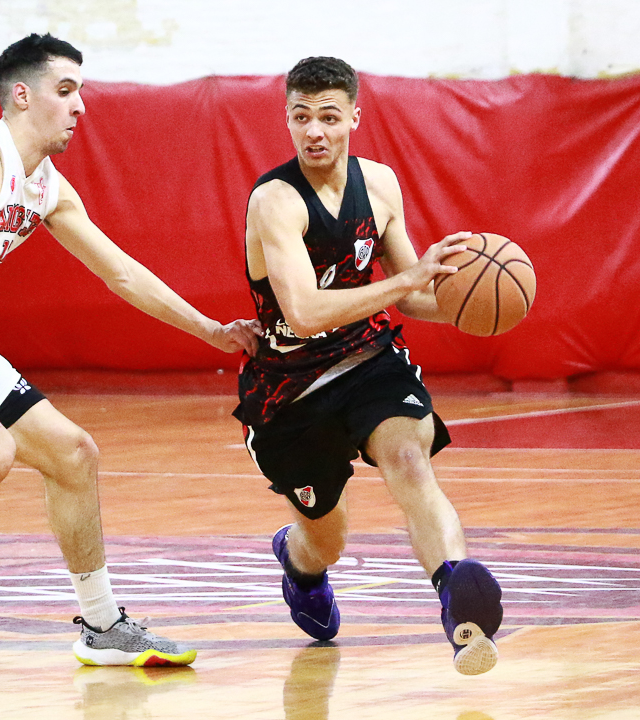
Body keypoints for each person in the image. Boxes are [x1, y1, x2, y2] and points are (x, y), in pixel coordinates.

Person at [0, 33, 260, 676]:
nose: (80, 105)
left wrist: (210, 331)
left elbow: (122, 274)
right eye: (66, 91)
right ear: (22, 95)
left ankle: (102, 624)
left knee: (74, 454)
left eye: (81, 90)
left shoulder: (46, 187)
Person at [234, 56, 503, 675]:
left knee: (410, 461)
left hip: (368, 359)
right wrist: (408, 278)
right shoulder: (274, 200)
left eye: (329, 116)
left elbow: (410, 292)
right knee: (326, 536)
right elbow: (302, 312)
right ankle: (301, 564)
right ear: (288, 121)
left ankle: (458, 603)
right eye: (301, 118)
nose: (315, 132)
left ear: (355, 115)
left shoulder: (379, 184)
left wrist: (467, 304)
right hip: (289, 390)